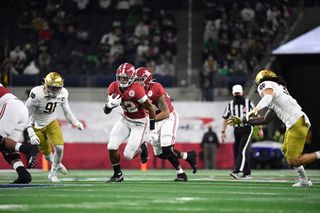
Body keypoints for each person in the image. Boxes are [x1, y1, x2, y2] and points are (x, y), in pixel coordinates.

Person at [227, 69, 320, 187]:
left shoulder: (266, 86)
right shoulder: (277, 89)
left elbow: (267, 98)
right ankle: (304, 180)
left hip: (295, 122)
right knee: (285, 151)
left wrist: (255, 109)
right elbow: (265, 119)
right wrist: (243, 120)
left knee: (293, 160)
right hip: (295, 122)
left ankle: (306, 178)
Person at [135, 67, 197, 181]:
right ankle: (188, 156)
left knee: (167, 149)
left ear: (147, 79)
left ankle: (181, 174)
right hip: (155, 119)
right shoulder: (136, 91)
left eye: (140, 79)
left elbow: (166, 113)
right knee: (159, 154)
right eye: (136, 80)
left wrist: (150, 122)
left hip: (168, 117)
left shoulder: (156, 88)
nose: (137, 82)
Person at [25, 72, 84, 182]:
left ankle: (53, 173)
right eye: (52, 88)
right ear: (46, 85)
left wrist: (76, 123)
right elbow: (24, 115)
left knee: (59, 148)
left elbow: (67, 112)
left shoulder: (63, 94)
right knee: (47, 155)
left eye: (57, 88)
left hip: (52, 122)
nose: (55, 91)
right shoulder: (36, 94)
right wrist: (31, 133)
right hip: (36, 125)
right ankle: (57, 163)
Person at [103, 63, 156, 182]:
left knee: (128, 155)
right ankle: (118, 174)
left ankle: (143, 148)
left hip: (139, 123)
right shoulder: (113, 87)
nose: (122, 80)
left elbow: (150, 108)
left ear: (132, 77)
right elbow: (106, 111)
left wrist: (152, 129)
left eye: (125, 77)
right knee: (111, 146)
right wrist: (108, 106)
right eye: (121, 77)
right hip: (125, 119)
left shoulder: (137, 89)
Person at [221, 84, 263, 179]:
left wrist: (260, 128)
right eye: (236, 94)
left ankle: (236, 171)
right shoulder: (231, 105)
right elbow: (225, 118)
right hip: (237, 129)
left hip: (247, 128)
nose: (237, 95)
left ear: (242, 93)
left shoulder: (249, 103)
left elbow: (257, 115)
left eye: (238, 93)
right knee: (239, 151)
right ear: (233, 93)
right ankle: (247, 173)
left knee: (242, 150)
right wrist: (223, 132)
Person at [0, 83, 39, 184]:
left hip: (11, 107)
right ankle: (23, 174)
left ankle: (28, 148)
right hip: (19, 109)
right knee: (6, 148)